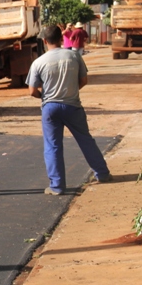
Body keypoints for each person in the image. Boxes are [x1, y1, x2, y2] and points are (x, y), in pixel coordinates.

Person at [26, 25, 112, 195]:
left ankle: (57, 186)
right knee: (85, 140)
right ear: (61, 38)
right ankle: (102, 173)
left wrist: (44, 97)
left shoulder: (39, 62)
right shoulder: (73, 56)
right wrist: (70, 90)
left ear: (44, 41)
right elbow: (84, 80)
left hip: (50, 108)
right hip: (73, 105)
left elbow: (32, 90)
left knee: (52, 146)